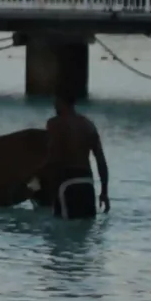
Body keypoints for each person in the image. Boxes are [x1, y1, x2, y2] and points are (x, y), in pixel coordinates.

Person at [38, 90, 109, 218]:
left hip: (66, 184)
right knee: (86, 227)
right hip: (87, 184)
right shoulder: (88, 125)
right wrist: (104, 192)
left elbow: (53, 157)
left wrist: (33, 181)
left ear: (60, 102)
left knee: (62, 227)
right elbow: (101, 160)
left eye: (55, 102)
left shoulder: (55, 123)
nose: (54, 106)